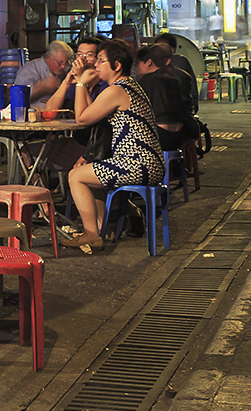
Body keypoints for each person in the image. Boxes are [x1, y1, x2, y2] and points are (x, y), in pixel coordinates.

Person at [63, 38, 165, 253]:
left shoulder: (117, 90)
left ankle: (91, 234)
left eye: (100, 60)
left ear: (116, 66)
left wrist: (80, 83)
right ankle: (98, 231)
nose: (96, 65)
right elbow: (94, 116)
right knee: (89, 174)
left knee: (76, 176)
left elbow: (82, 119)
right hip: (148, 163)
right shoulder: (127, 87)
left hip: (137, 165)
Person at [135, 43, 200, 150]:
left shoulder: (146, 82)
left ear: (149, 62)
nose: (137, 67)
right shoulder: (173, 79)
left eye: (139, 63)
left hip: (160, 136)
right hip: (179, 134)